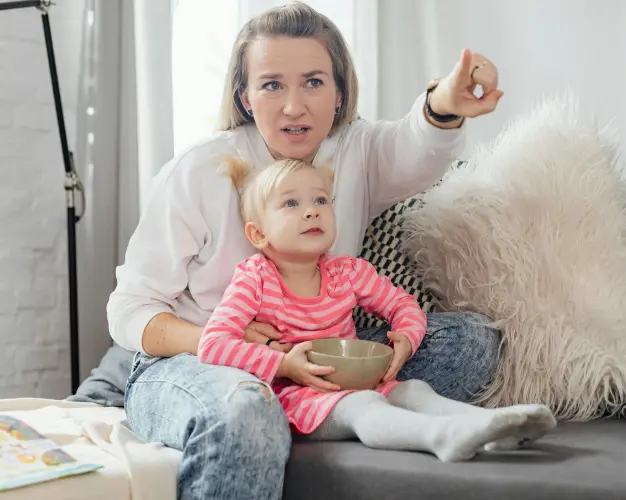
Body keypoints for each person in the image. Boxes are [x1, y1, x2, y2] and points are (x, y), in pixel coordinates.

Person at [107, 3, 505, 499]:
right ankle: (276, 415)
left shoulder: (356, 149)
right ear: (246, 97)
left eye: (314, 82)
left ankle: (310, 409)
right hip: (201, 363)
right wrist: (230, 341)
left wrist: (444, 101)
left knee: (472, 342)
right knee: (246, 410)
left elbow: (415, 147)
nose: (294, 106)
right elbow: (128, 312)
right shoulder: (198, 171)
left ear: (340, 94)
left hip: (315, 355)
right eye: (272, 84)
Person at [198, 157, 555, 462]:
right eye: (291, 204)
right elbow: (212, 344)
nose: (311, 210)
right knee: (364, 406)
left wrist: (407, 338)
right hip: (295, 399)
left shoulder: (347, 273)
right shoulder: (255, 279)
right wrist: (285, 364)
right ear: (258, 234)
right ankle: (440, 436)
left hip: (354, 384)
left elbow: (403, 305)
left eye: (321, 200)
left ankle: (489, 428)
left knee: (413, 390)